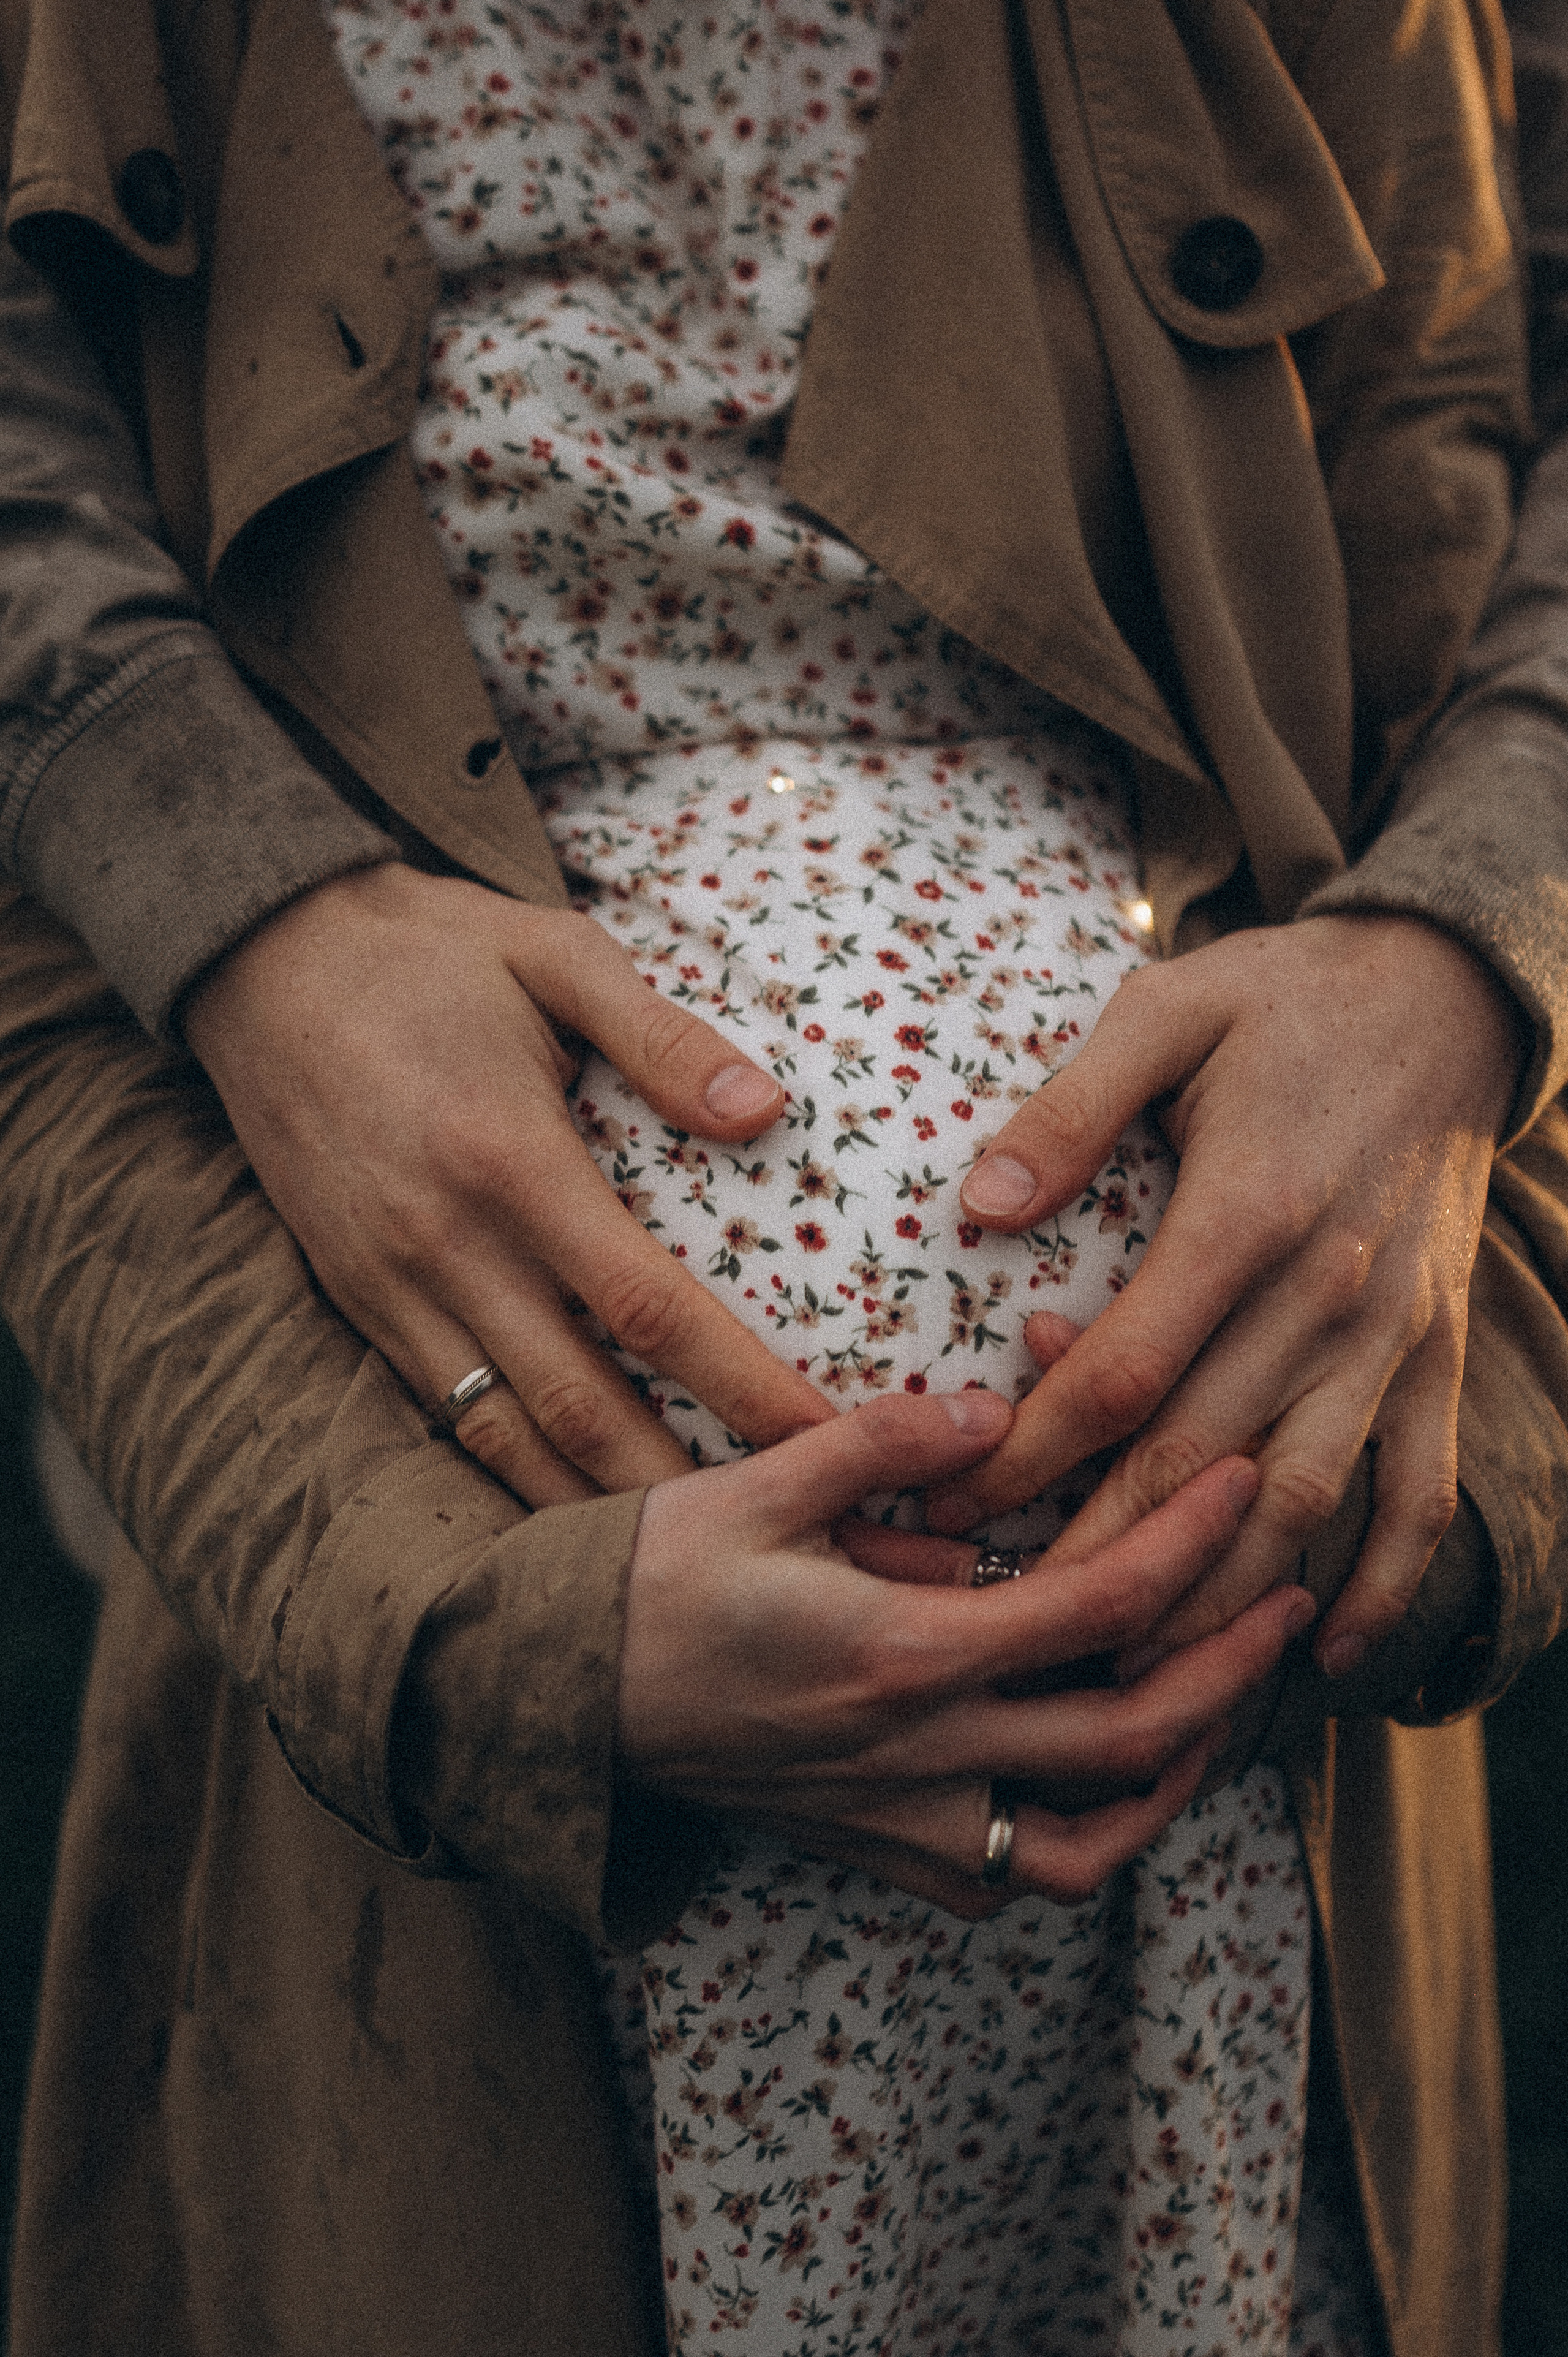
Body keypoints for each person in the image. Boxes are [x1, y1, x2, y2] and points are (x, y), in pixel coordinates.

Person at [1, 0, 1567, 2351]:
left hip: (1238, 1850)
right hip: (436, 1918)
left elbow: (1490, 479)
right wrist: (477, 1651)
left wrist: (1476, 982)